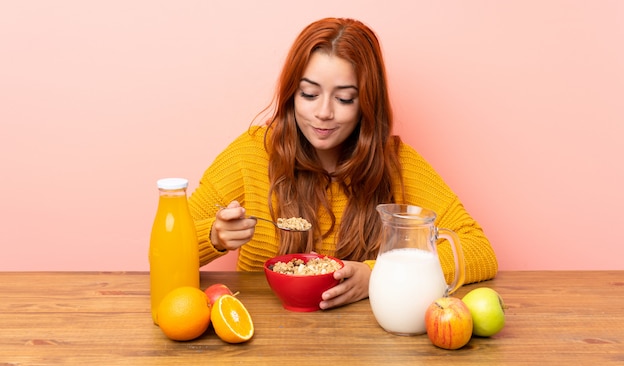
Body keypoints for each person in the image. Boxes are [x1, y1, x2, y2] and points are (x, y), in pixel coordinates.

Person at [188, 17, 498, 310]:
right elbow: (166, 247)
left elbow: (478, 249)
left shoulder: (397, 164)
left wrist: (375, 275)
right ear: (291, 95)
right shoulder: (253, 152)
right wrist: (213, 237)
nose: (323, 112)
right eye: (309, 94)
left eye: (344, 99)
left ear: (366, 102)